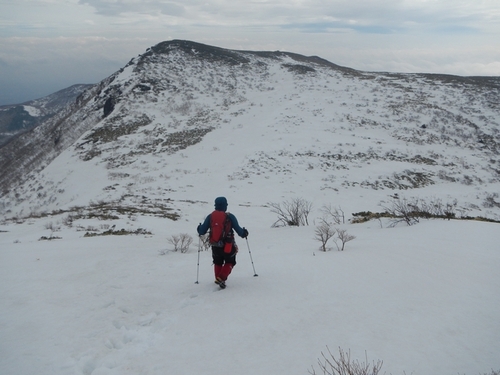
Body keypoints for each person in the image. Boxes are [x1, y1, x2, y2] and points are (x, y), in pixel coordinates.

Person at [197, 197, 249, 289]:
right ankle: (221, 278)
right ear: (225, 206)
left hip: (215, 245)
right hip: (228, 245)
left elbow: (202, 231)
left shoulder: (210, 217)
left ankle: (218, 278)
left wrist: (199, 228)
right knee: (230, 261)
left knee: (218, 261)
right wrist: (244, 233)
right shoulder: (230, 217)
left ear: (215, 205)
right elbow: (239, 231)